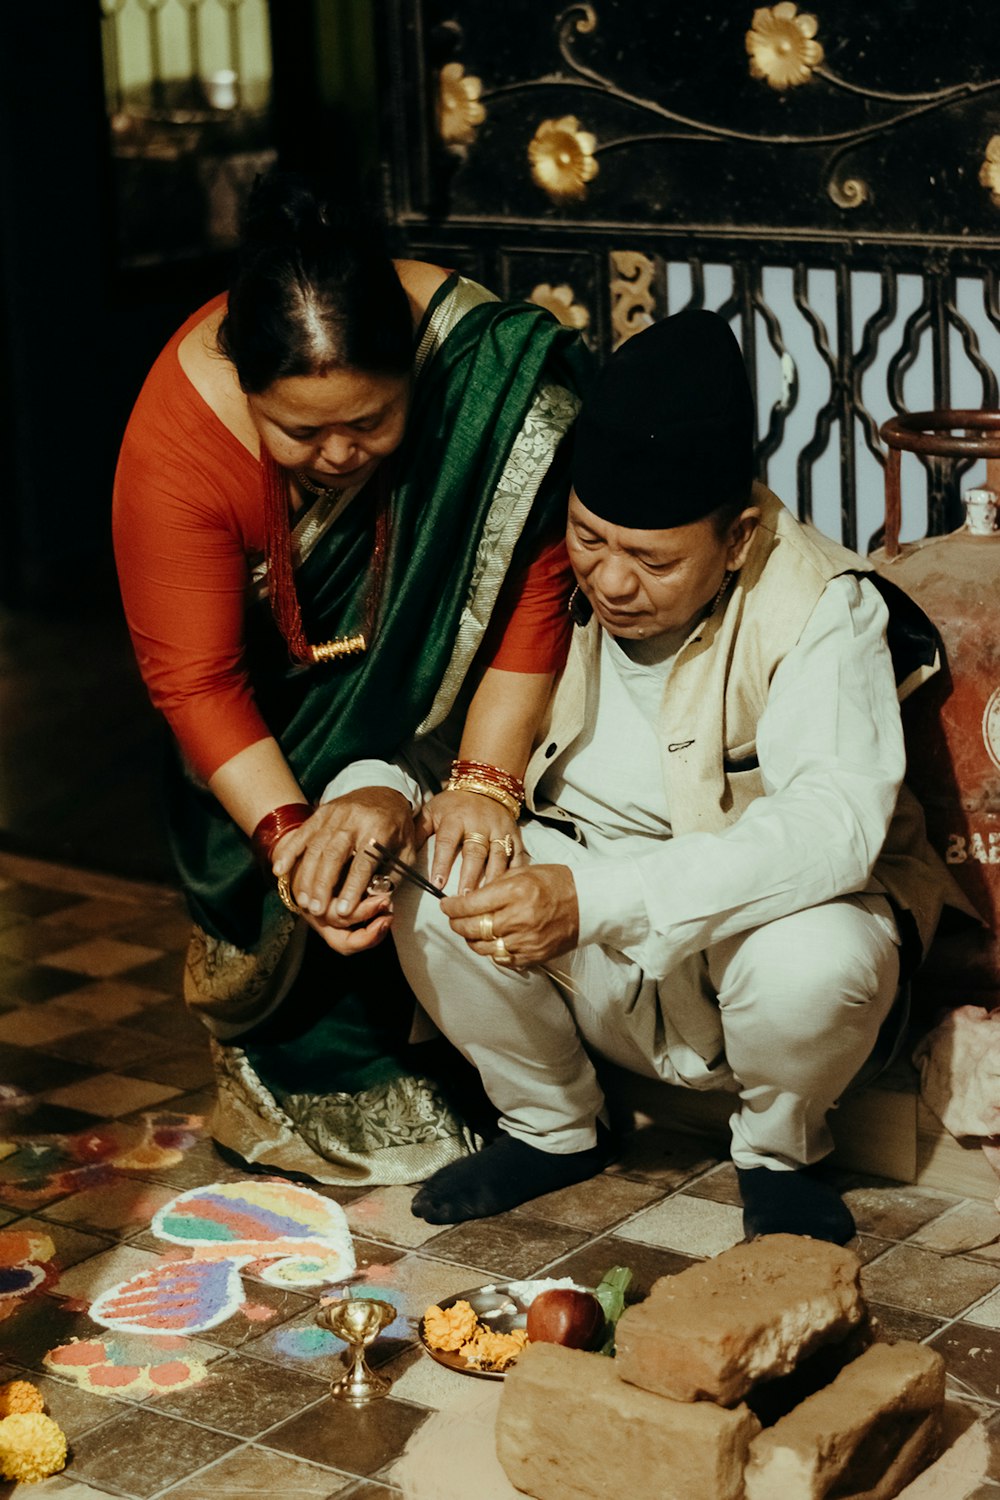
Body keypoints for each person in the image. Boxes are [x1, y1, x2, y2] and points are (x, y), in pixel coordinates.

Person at [366, 307, 960, 1245]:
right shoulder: (544, 581)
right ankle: (554, 1125)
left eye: (652, 559)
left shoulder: (821, 605)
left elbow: (836, 826)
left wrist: (597, 897)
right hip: (587, 949)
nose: (609, 582)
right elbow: (427, 743)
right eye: (590, 537)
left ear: (738, 538)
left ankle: (778, 1149)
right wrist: (371, 798)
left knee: (822, 957)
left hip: (742, 949)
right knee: (435, 880)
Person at [113, 172, 591, 1186]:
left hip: (448, 721)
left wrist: (484, 784)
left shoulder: (483, 372)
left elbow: (533, 586)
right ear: (246, 385)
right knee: (321, 881)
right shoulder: (178, 450)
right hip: (268, 737)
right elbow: (195, 681)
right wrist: (292, 844)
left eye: (370, 422)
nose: (338, 454)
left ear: (411, 367)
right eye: (299, 433)